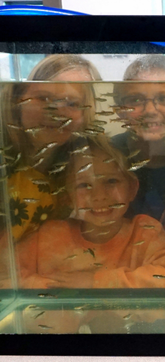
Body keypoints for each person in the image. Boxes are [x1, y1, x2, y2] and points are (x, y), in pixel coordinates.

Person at [14, 136, 165, 289]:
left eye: (111, 181)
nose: (99, 196)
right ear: (67, 197)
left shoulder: (145, 232)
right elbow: (5, 275)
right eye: (84, 185)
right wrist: (53, 287)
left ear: (132, 188)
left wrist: (97, 281)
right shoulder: (49, 235)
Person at [1, 54, 101, 241]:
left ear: (86, 113)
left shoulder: (83, 167)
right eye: (44, 98)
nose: (57, 112)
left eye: (71, 103)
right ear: (17, 101)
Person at [110, 55, 165, 220]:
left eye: (164, 99)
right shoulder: (103, 156)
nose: (150, 110)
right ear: (120, 111)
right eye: (135, 99)